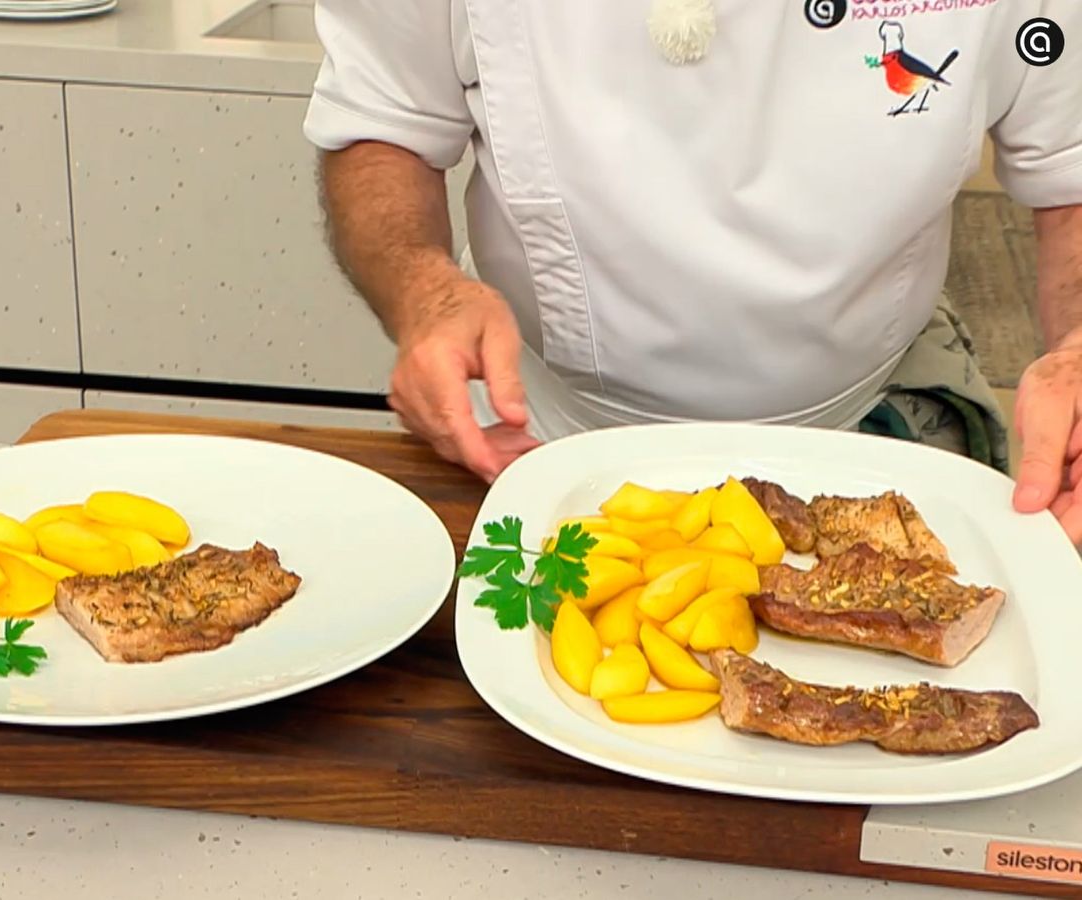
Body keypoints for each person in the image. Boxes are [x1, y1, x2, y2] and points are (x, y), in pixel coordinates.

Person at [303, 1, 1082, 541]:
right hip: (534, 441)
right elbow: (384, 123)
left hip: (872, 429)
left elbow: (1071, 172)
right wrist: (423, 291)